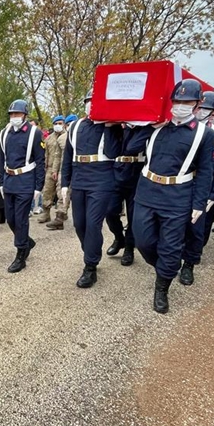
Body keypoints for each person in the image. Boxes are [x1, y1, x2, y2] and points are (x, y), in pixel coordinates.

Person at [133, 79, 214, 313]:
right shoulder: (158, 127)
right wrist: (148, 125)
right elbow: (130, 147)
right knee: (143, 241)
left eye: (186, 101)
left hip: (178, 196)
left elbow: (206, 171)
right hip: (147, 191)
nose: (180, 105)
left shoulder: (204, 134)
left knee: (170, 248)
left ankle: (162, 287)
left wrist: (199, 202)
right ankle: (165, 266)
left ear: (197, 104)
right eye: (176, 101)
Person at [61, 88, 122, 288]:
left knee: (93, 223)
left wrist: (110, 126)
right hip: (79, 179)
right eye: (88, 100)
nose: (91, 104)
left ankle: (90, 267)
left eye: (95, 101)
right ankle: (91, 251)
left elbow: (114, 152)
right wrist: (64, 184)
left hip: (102, 179)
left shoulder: (111, 126)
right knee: (79, 224)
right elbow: (68, 158)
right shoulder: (76, 126)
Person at [179, 91, 214, 285]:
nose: (201, 112)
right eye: (200, 107)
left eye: (206, 109)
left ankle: (189, 263)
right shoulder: (187, 130)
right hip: (184, 184)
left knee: (197, 228)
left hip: (205, 188)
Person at [0, 99, 45, 273]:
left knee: (21, 219)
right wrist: (1, 182)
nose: (14, 117)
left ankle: (20, 255)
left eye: (17, 114)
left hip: (26, 180)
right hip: (9, 181)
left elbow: (40, 161)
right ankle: (27, 242)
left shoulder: (34, 133)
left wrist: (38, 187)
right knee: (10, 219)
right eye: (11, 114)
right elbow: (1, 158)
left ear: (24, 115)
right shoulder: (5, 133)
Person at [105, 120, 154, 267]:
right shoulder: (117, 128)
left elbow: (133, 147)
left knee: (133, 216)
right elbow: (110, 151)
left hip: (137, 176)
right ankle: (119, 237)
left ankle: (129, 247)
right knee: (110, 211)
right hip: (117, 173)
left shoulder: (147, 128)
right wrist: (111, 127)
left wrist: (143, 125)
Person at [46, 113, 79, 230]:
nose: (70, 126)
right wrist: (55, 170)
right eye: (68, 124)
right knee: (62, 193)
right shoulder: (61, 138)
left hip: (81, 170)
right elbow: (57, 157)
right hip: (65, 170)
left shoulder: (81, 134)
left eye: (73, 123)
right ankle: (59, 218)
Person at [39, 115, 66, 224]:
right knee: (47, 191)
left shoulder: (67, 136)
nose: (58, 126)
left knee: (61, 192)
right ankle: (46, 213)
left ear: (64, 124)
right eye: (55, 124)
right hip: (50, 168)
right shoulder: (49, 138)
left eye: (60, 123)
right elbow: (45, 153)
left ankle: (61, 214)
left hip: (62, 168)